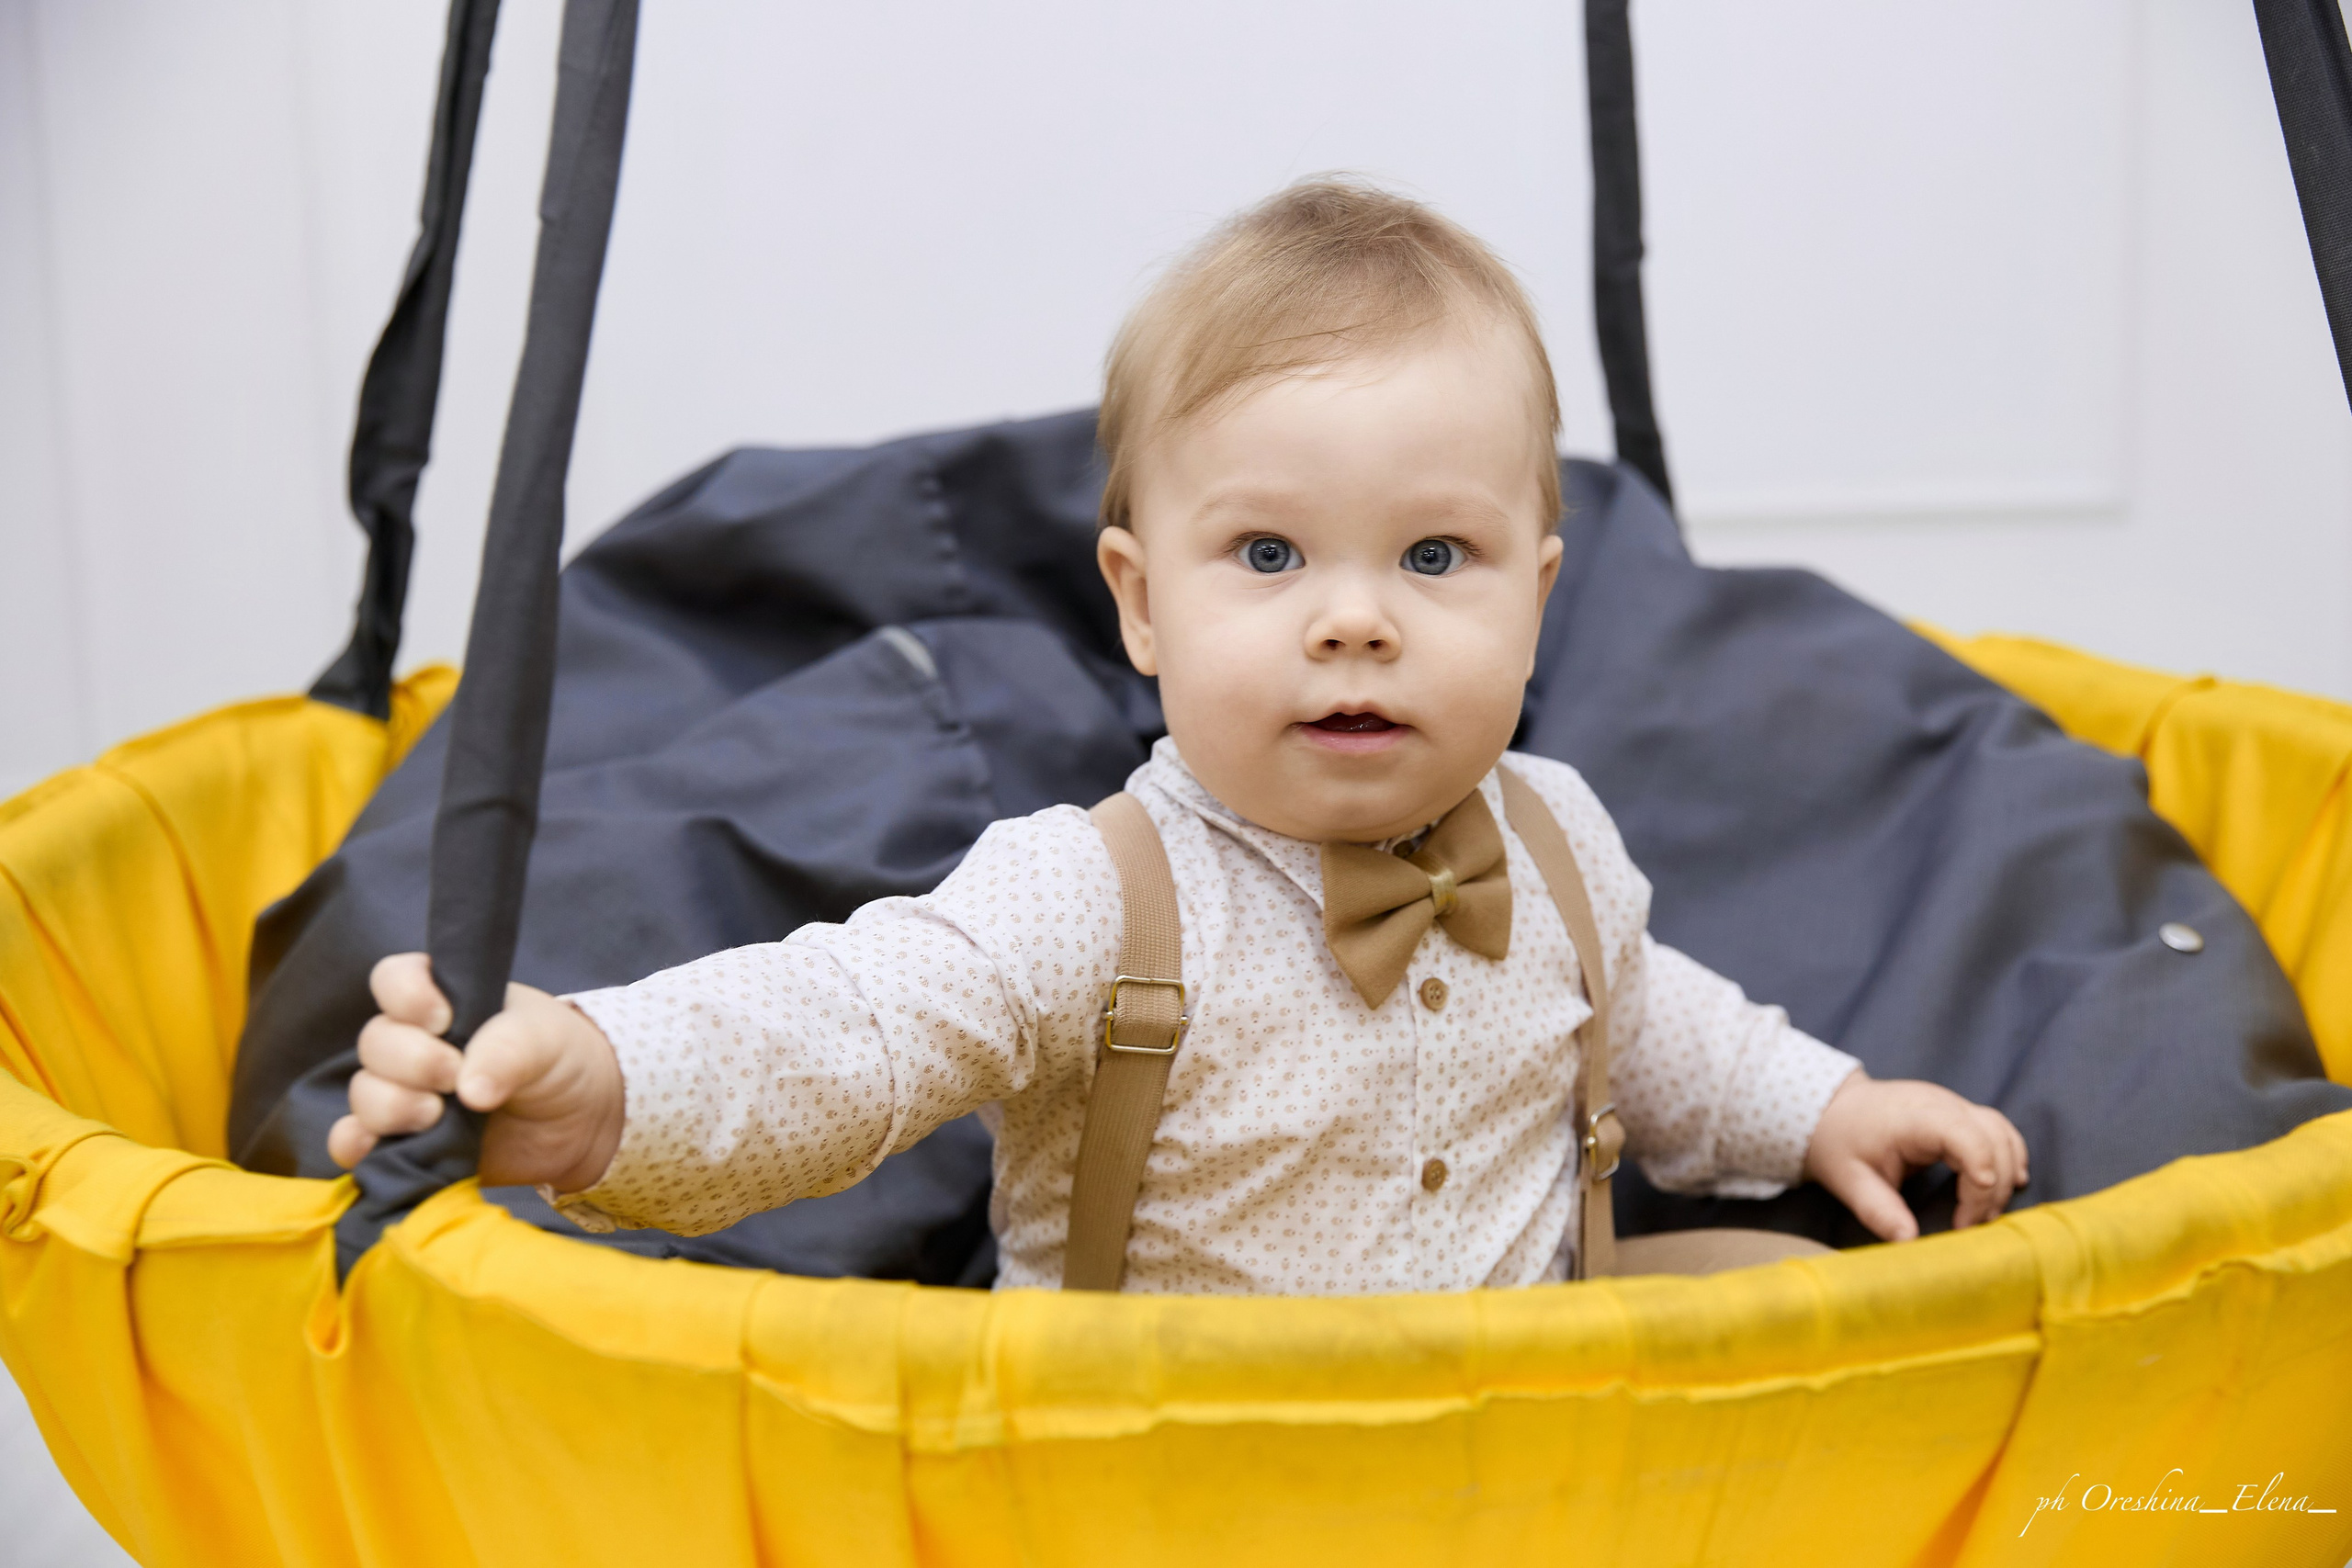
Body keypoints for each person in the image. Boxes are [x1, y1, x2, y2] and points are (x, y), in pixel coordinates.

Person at [329, 178, 2028, 1293]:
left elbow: (1652, 1030)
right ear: (1142, 609)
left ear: (1540, 597)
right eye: (1269, 557)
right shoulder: (1093, 898)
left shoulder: (1560, 837)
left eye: (1436, 557)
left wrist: (1826, 1107)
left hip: (1520, 1413)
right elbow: (849, 1033)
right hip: (1172, 1462)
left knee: (1808, 1295)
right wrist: (608, 1085)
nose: (1354, 620)